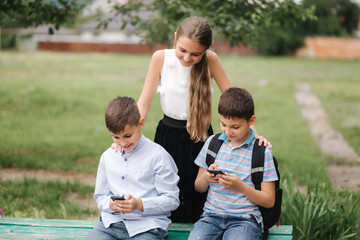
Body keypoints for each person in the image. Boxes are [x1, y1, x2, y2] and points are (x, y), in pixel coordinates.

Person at [114, 16, 271, 223]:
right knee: (166, 190)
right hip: (168, 135)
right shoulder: (160, 58)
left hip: (201, 137)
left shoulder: (212, 60)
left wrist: (255, 137)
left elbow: (234, 101)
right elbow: (143, 103)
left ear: (206, 50)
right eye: (182, 50)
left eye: (195, 54)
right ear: (175, 38)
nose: (187, 58)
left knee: (197, 193)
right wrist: (125, 136)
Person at [188, 87, 278, 240]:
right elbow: (198, 187)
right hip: (211, 216)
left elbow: (269, 201)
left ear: (251, 121)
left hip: (245, 220)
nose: (228, 132)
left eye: (235, 127)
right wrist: (207, 177)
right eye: (223, 124)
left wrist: (240, 186)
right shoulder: (212, 144)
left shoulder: (261, 152)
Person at [87, 96, 180, 240]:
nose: (123, 143)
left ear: (140, 123)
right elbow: (100, 196)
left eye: (127, 135)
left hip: (148, 227)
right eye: (116, 137)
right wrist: (110, 203)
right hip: (111, 225)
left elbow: (172, 200)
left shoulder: (158, 155)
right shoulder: (108, 157)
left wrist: (139, 204)